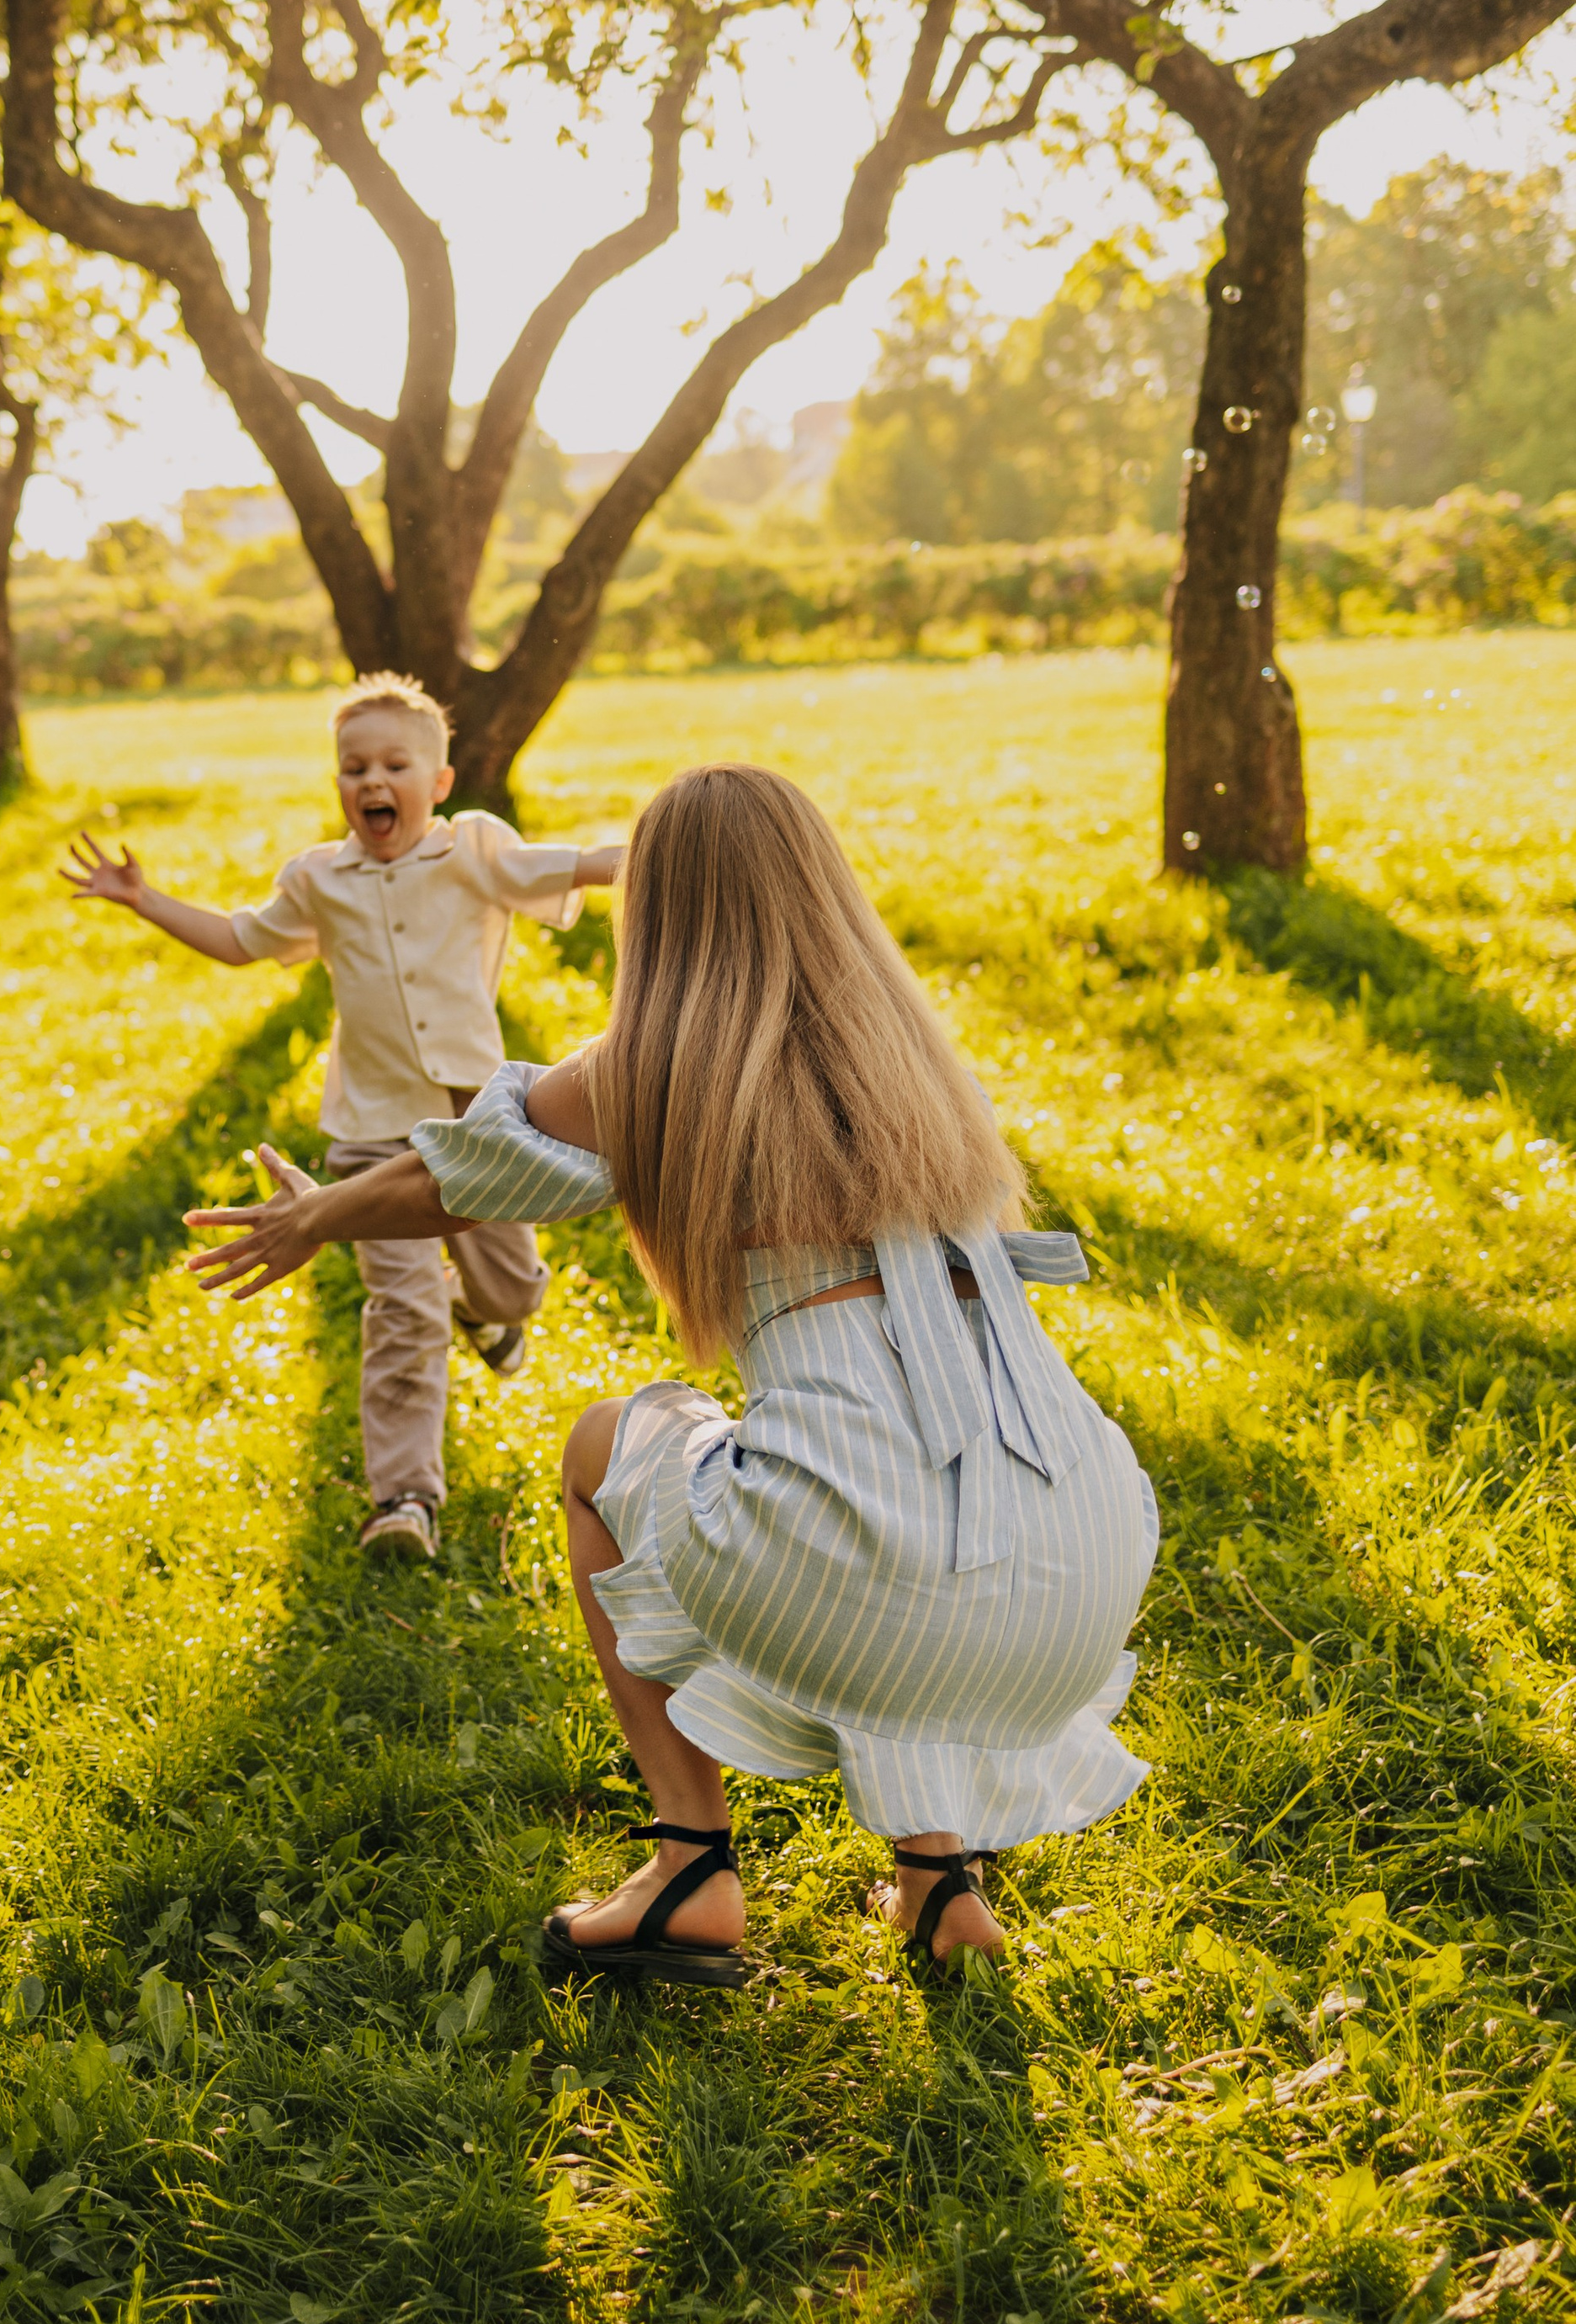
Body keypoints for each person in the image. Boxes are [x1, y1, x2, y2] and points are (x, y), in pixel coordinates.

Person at [185, 761, 1158, 1986]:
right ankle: (938, 1880)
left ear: (661, 905)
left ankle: (689, 1867)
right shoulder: (913, 1060)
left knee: (612, 1451)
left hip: (887, 1574)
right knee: (878, 1488)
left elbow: (454, 1178)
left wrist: (320, 1214)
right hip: (1088, 1569)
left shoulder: (654, 1064)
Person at [65, 670, 625, 1561]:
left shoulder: (473, 850)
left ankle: (482, 1313)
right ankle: (402, 1499)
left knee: (513, 1288)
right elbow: (242, 941)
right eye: (352, 767)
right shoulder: (319, 879)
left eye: (394, 765)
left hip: (479, 1120)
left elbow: (581, 865)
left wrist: (674, 850)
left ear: (436, 785)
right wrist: (145, 901)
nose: (371, 781)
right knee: (397, 1311)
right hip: (371, 1123)